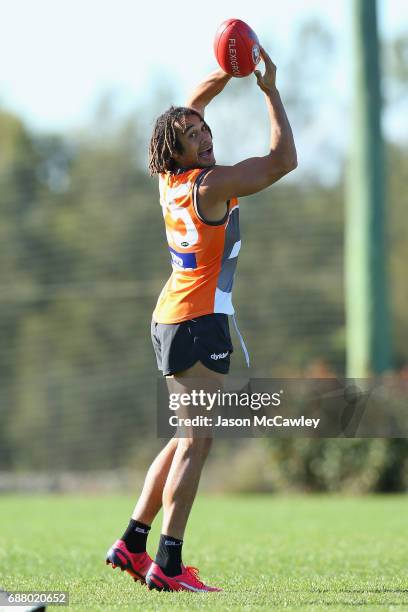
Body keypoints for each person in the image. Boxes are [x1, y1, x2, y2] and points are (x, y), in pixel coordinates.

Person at [106, 47, 297, 592]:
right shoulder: (210, 185)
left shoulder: (171, 177)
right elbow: (284, 162)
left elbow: (190, 104)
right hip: (195, 321)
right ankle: (168, 565)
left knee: (185, 437)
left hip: (176, 316)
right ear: (179, 149)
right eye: (195, 136)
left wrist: (229, 68)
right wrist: (269, 91)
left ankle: (132, 542)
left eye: (204, 130)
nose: (205, 135)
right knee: (197, 442)